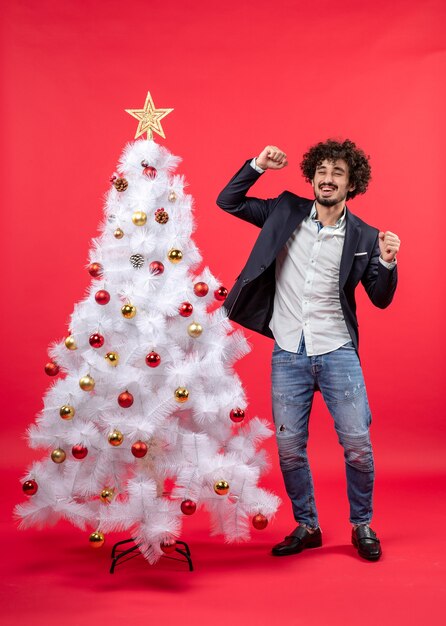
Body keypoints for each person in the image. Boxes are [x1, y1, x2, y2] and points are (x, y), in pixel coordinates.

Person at [216, 140, 400, 561]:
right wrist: (257, 165)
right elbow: (228, 201)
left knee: (357, 444)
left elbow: (381, 297)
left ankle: (362, 525)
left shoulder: (365, 236)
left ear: (351, 184)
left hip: (337, 350)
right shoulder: (284, 210)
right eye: (321, 171)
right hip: (288, 351)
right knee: (289, 446)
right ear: (312, 177)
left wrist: (387, 262)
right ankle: (307, 525)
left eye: (337, 173)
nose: (327, 179)